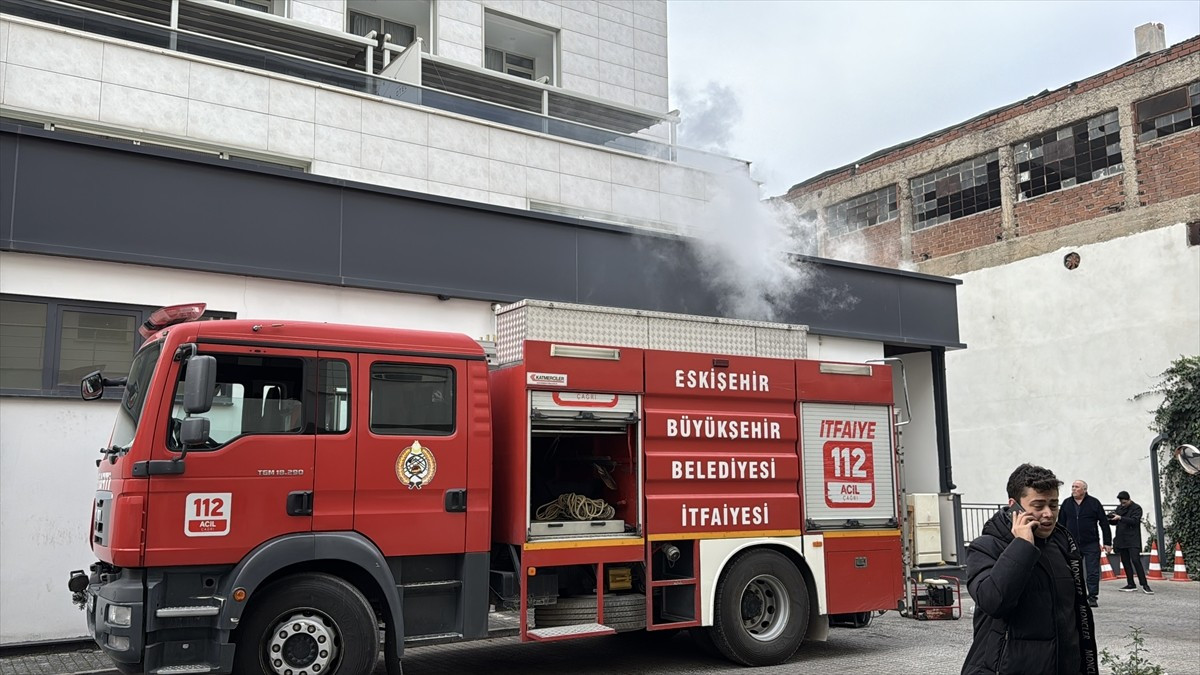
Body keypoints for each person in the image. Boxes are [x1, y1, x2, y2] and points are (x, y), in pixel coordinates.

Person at [962, 464, 1098, 675]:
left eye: (1053, 505)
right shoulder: (986, 546)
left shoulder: (1063, 546)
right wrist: (1022, 546)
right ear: (1013, 506)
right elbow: (993, 602)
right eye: (1038, 505)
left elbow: (1077, 617)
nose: (1048, 514)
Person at [1060, 479, 1112, 607]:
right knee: (1073, 570)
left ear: (1084, 490)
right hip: (1072, 543)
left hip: (1091, 543)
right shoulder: (1067, 503)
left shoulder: (1094, 503)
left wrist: (1107, 542)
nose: (1073, 489)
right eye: (1072, 486)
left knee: (1092, 571)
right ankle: (1075, 596)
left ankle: (1092, 596)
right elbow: (1060, 523)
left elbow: (1104, 523)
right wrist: (1060, 541)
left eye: (1076, 487)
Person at [1109, 490, 1154, 594]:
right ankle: (1130, 583)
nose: (1122, 504)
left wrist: (1120, 517)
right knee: (1125, 561)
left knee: (1136, 560)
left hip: (1133, 539)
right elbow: (1115, 522)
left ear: (1129, 499)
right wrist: (1111, 519)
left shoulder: (1136, 508)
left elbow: (1134, 521)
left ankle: (1144, 584)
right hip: (1122, 539)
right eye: (1121, 503)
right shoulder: (1119, 508)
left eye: (1124, 502)